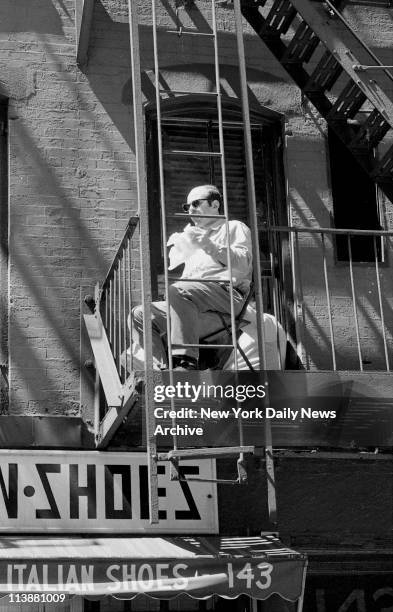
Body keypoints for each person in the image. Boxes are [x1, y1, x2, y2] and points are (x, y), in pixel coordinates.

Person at [131, 184, 253, 370]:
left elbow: (243, 264)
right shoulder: (193, 238)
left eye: (196, 203)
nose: (191, 210)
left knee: (178, 289)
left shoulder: (233, 227)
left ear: (215, 204)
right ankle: (162, 370)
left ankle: (185, 361)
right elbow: (187, 283)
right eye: (187, 207)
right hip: (195, 303)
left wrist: (209, 245)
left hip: (226, 297)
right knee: (140, 314)